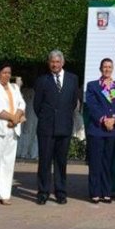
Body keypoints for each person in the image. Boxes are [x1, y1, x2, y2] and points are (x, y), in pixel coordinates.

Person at [33, 49, 80, 205]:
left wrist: (62, 116)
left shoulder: (73, 79)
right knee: (45, 162)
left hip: (64, 127)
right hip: (46, 128)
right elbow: (37, 105)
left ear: (63, 63)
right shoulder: (42, 80)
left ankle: (60, 192)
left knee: (61, 162)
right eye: (52, 62)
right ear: (49, 63)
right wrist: (48, 118)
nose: (55, 64)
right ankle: (43, 192)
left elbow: (73, 102)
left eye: (57, 62)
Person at [0, 62, 26, 205]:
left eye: (9, 73)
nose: (7, 75)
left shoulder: (14, 87)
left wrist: (16, 117)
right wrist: (13, 118)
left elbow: (21, 104)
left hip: (12, 129)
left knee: (8, 163)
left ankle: (5, 193)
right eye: (4, 72)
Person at [85, 58, 115, 203]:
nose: (107, 69)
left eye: (109, 67)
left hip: (112, 130)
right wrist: (104, 120)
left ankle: (106, 192)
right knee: (95, 162)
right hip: (97, 129)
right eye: (105, 67)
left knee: (108, 162)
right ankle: (95, 192)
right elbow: (92, 106)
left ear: (112, 69)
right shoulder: (93, 85)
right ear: (100, 69)